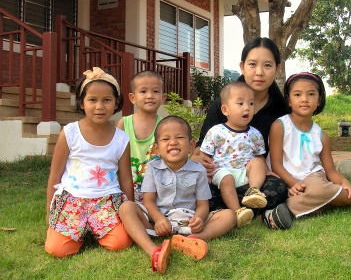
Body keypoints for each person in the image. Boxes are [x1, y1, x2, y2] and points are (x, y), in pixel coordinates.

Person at [45, 67, 171, 274]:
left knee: (120, 242)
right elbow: (55, 176)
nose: (99, 107)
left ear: (116, 103)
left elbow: (125, 179)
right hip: (73, 199)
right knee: (56, 249)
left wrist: (130, 207)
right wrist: (50, 214)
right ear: (81, 103)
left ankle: (92, 228)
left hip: (106, 199)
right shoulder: (69, 133)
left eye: (107, 100)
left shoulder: (121, 138)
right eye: (92, 100)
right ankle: (77, 228)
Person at [191, 37, 292, 230]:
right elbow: (199, 151)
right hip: (221, 178)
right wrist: (201, 163)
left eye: (267, 65)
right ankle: (259, 213)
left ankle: (231, 212)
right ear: (242, 66)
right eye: (252, 64)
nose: (259, 72)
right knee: (199, 188)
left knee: (279, 187)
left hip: (254, 180)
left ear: (277, 69)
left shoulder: (281, 111)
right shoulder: (221, 107)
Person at [268, 72, 351, 218]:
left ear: (319, 100)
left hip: (313, 179)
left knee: (318, 190)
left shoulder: (320, 134)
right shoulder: (280, 126)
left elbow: (330, 171)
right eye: (297, 95)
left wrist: (344, 182)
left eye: (311, 94)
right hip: (287, 180)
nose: (304, 99)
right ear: (289, 100)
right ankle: (338, 199)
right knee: (297, 198)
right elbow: (276, 165)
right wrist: (293, 183)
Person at [141, 116, 236, 260]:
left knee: (229, 216)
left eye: (179, 137)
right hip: (158, 222)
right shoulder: (152, 168)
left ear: (192, 145)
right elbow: (148, 201)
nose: (173, 142)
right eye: (165, 139)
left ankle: (192, 239)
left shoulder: (198, 170)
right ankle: (151, 247)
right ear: (156, 149)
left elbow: (203, 205)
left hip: (187, 222)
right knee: (126, 208)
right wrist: (159, 219)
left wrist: (199, 218)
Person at [200, 82, 268, 227]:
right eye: (240, 103)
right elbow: (204, 156)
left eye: (251, 103)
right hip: (222, 172)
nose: (247, 108)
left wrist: (266, 171)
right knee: (226, 177)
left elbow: (260, 157)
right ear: (225, 109)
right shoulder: (216, 131)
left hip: (245, 174)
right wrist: (204, 173)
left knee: (257, 162)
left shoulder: (255, 134)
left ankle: (253, 192)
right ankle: (237, 211)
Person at [116, 71, 166, 203]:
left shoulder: (165, 126)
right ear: (132, 98)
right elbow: (115, 156)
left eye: (155, 91)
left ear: (163, 98)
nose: (150, 96)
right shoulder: (124, 124)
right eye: (143, 91)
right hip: (127, 188)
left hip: (158, 190)